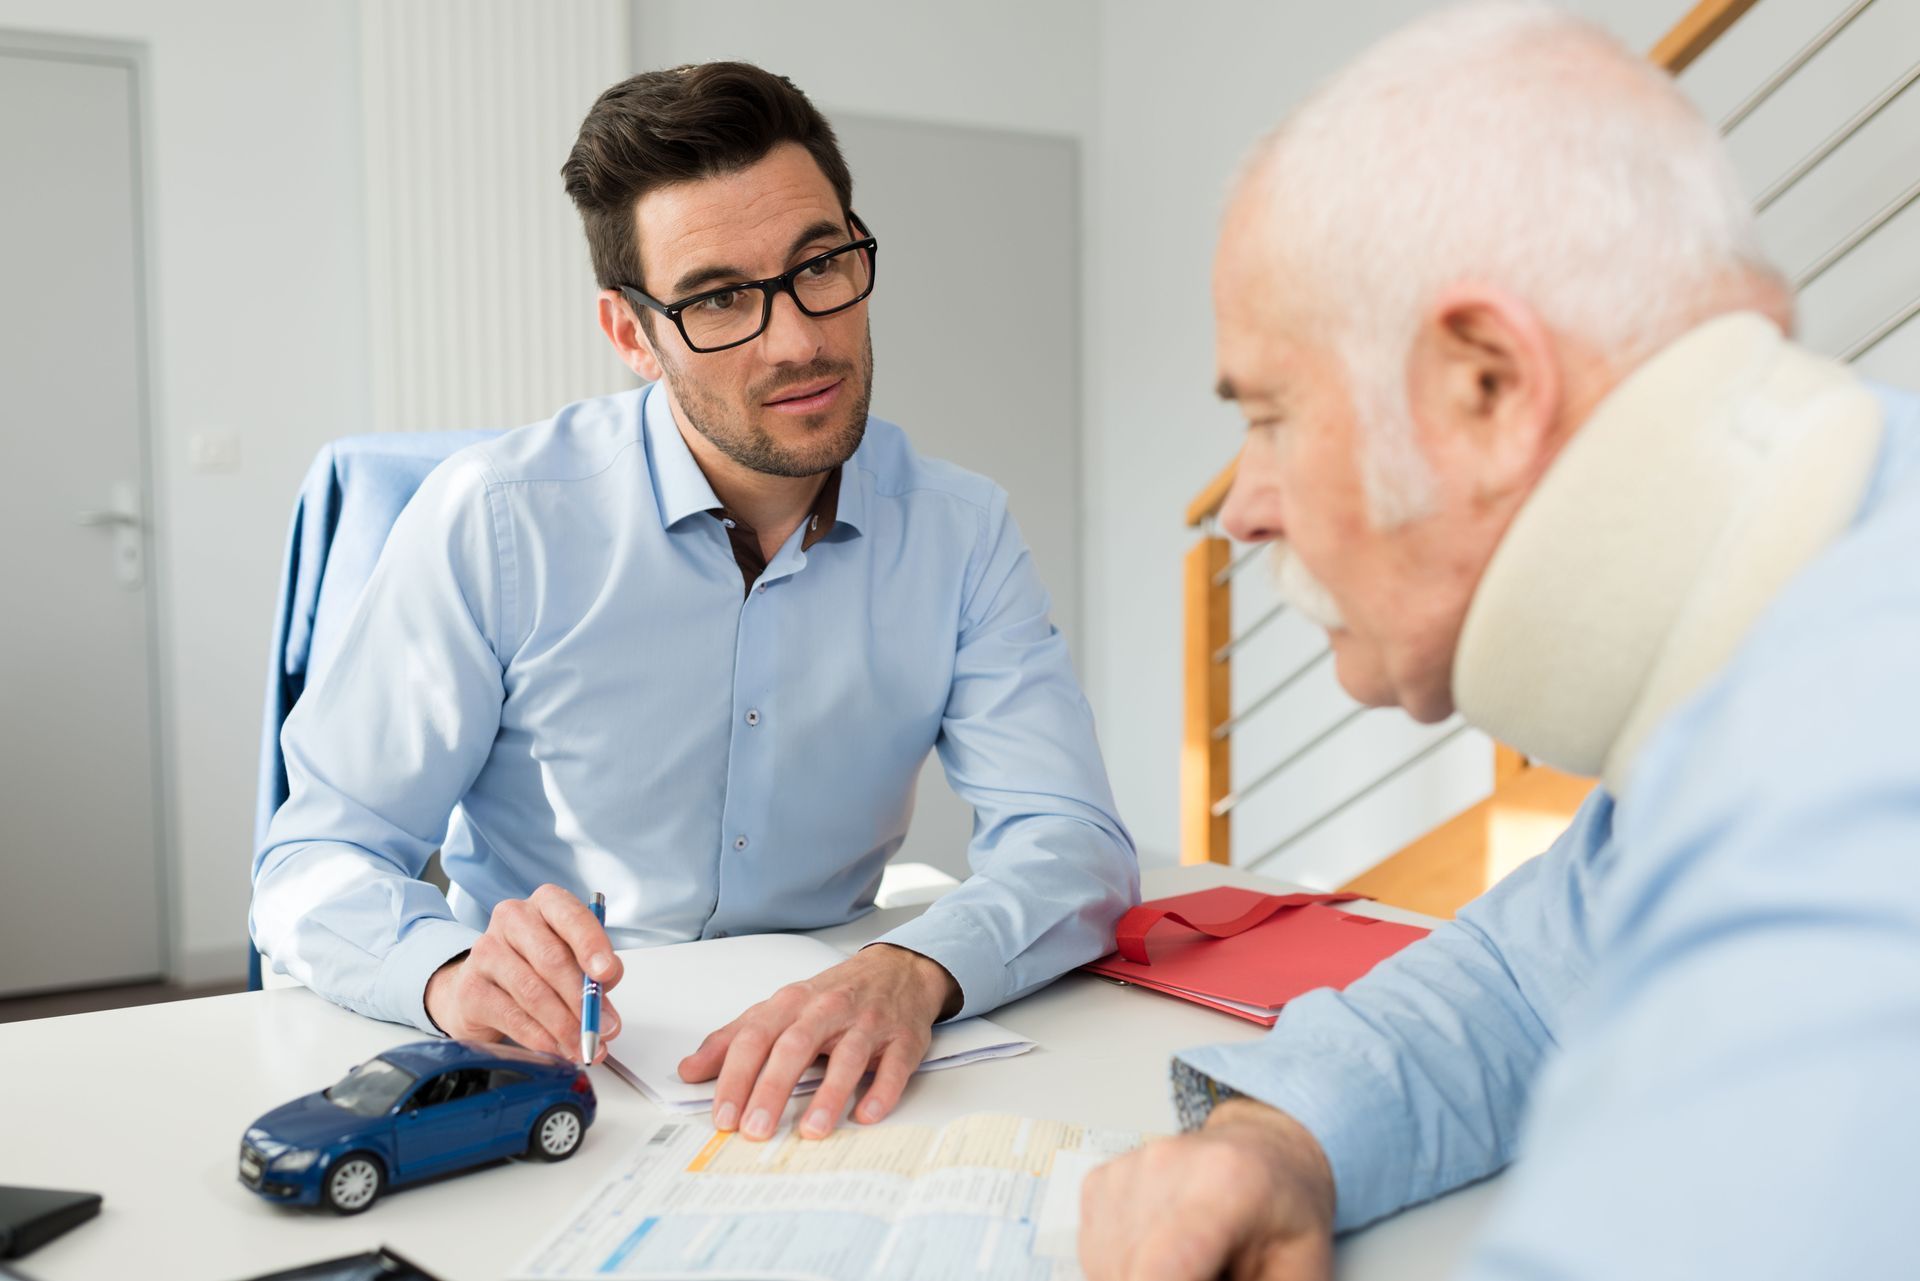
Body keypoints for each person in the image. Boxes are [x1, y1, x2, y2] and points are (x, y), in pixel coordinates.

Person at [1080, 4, 1920, 1279]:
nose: (1242, 506)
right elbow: (1531, 981)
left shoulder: (1858, 794)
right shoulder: (1800, 614)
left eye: (1270, 414)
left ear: (1488, 387)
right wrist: (1279, 1142)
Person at [252, 61, 1136, 1144]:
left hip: (839, 1074)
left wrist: (914, 967)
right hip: (557, 1073)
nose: (801, 339)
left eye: (822, 267)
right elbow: (312, 860)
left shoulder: (960, 530)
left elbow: (1074, 841)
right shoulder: (496, 520)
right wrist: (444, 972)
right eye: (719, 298)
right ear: (632, 335)